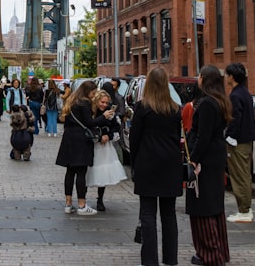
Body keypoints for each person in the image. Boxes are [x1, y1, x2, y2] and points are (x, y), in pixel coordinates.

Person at [130, 67, 185, 266]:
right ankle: (171, 259)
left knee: (148, 213)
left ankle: (150, 260)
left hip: (147, 163)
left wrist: (134, 164)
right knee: (169, 214)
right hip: (170, 164)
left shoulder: (142, 107)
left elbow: (134, 139)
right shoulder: (175, 109)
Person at [186, 64, 232, 266]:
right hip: (216, 156)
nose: (197, 79)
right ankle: (219, 250)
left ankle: (210, 253)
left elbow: (202, 136)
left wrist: (193, 159)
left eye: (199, 76)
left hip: (205, 159)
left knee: (202, 204)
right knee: (214, 204)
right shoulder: (220, 101)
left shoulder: (206, 104)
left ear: (204, 78)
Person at [55, 79, 110, 215]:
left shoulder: (72, 101)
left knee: (70, 172)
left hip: (69, 138)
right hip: (80, 140)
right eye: (93, 92)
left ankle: (68, 204)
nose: (93, 95)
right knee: (80, 172)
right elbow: (90, 123)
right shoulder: (84, 103)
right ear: (87, 91)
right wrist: (104, 116)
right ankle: (82, 205)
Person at [224, 62, 255, 223]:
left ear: (232, 76)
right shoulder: (244, 92)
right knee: (244, 174)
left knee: (239, 175)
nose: (225, 78)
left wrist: (230, 136)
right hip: (246, 139)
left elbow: (235, 118)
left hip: (239, 141)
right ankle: (245, 208)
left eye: (227, 75)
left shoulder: (236, 95)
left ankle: (244, 210)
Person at [89, 88, 127, 212]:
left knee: (103, 173)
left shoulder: (111, 114)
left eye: (106, 103)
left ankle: (100, 199)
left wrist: (108, 136)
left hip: (105, 147)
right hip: (91, 145)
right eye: (102, 102)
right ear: (96, 101)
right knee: (88, 171)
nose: (104, 105)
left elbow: (116, 130)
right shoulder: (91, 112)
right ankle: (82, 198)